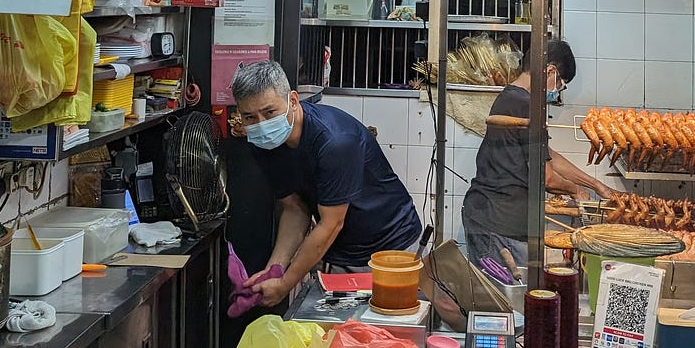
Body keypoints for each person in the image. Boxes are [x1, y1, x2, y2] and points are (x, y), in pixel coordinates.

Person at [232, 60, 422, 307]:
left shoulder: (334, 141)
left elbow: (331, 223)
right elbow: (294, 208)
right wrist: (274, 271)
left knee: (387, 332)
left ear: (292, 100)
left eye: (269, 112)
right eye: (249, 116)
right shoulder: (265, 142)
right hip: (338, 251)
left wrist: (285, 284)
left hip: (390, 249)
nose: (261, 124)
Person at [460, 38, 613, 271]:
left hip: (492, 217)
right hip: (498, 225)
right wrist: (575, 190)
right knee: (509, 301)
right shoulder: (526, 106)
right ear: (549, 71)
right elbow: (546, 176)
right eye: (560, 84)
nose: (557, 91)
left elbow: (547, 155)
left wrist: (595, 185)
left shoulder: (514, 98)